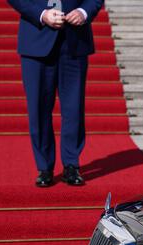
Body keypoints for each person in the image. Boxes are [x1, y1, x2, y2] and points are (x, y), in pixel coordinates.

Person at [7, 0, 104, 187]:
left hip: (74, 40)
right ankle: (44, 167)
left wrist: (84, 12)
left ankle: (71, 165)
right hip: (36, 39)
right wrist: (42, 14)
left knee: (74, 107)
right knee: (38, 108)